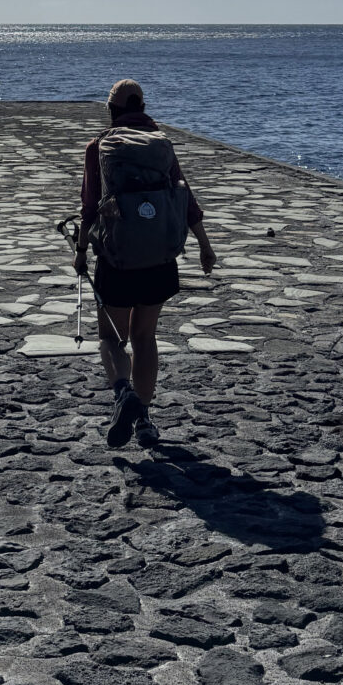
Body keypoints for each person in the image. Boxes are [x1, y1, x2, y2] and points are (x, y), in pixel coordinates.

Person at [74, 79, 217, 448]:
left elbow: (89, 207)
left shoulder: (99, 146)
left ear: (112, 110)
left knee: (110, 337)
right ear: (142, 107)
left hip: (117, 258)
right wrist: (204, 245)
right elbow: (185, 196)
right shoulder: (161, 143)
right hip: (159, 258)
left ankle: (125, 394)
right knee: (145, 337)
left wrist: (80, 250)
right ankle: (145, 421)